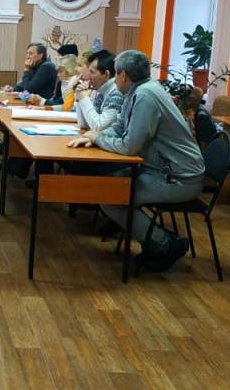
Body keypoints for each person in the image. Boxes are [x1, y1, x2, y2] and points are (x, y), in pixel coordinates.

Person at [80, 50, 200, 270]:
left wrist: (98, 138)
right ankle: (156, 243)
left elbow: (129, 146)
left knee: (110, 196)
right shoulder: (139, 90)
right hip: (162, 170)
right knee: (109, 186)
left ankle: (165, 244)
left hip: (179, 178)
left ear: (123, 75)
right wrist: (93, 137)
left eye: (116, 74)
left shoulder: (144, 96)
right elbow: (120, 128)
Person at [67, 49, 124, 141]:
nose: (88, 75)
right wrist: (79, 98)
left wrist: (84, 98)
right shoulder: (101, 89)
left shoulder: (117, 93)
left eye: (92, 72)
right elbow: (84, 125)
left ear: (106, 74)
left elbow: (99, 127)